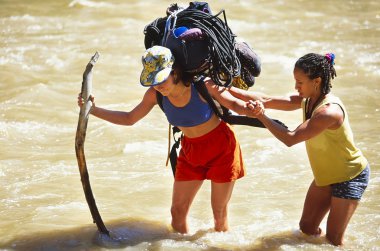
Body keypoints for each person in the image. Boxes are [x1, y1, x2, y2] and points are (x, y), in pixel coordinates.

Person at [78, 45, 262, 234]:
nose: (158, 85)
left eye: (161, 79)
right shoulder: (154, 94)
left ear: (175, 72)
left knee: (219, 214)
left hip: (222, 148)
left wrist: (251, 110)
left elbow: (234, 104)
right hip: (190, 151)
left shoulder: (202, 85)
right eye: (153, 80)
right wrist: (93, 109)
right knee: (177, 212)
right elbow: (129, 118)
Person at [230, 53, 370, 246]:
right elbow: (266, 99)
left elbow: (291, 138)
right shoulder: (308, 99)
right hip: (326, 175)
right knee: (307, 228)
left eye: (299, 82)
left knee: (334, 240)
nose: (296, 87)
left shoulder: (328, 112)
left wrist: (261, 116)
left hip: (349, 175)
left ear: (317, 81)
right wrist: (223, 89)